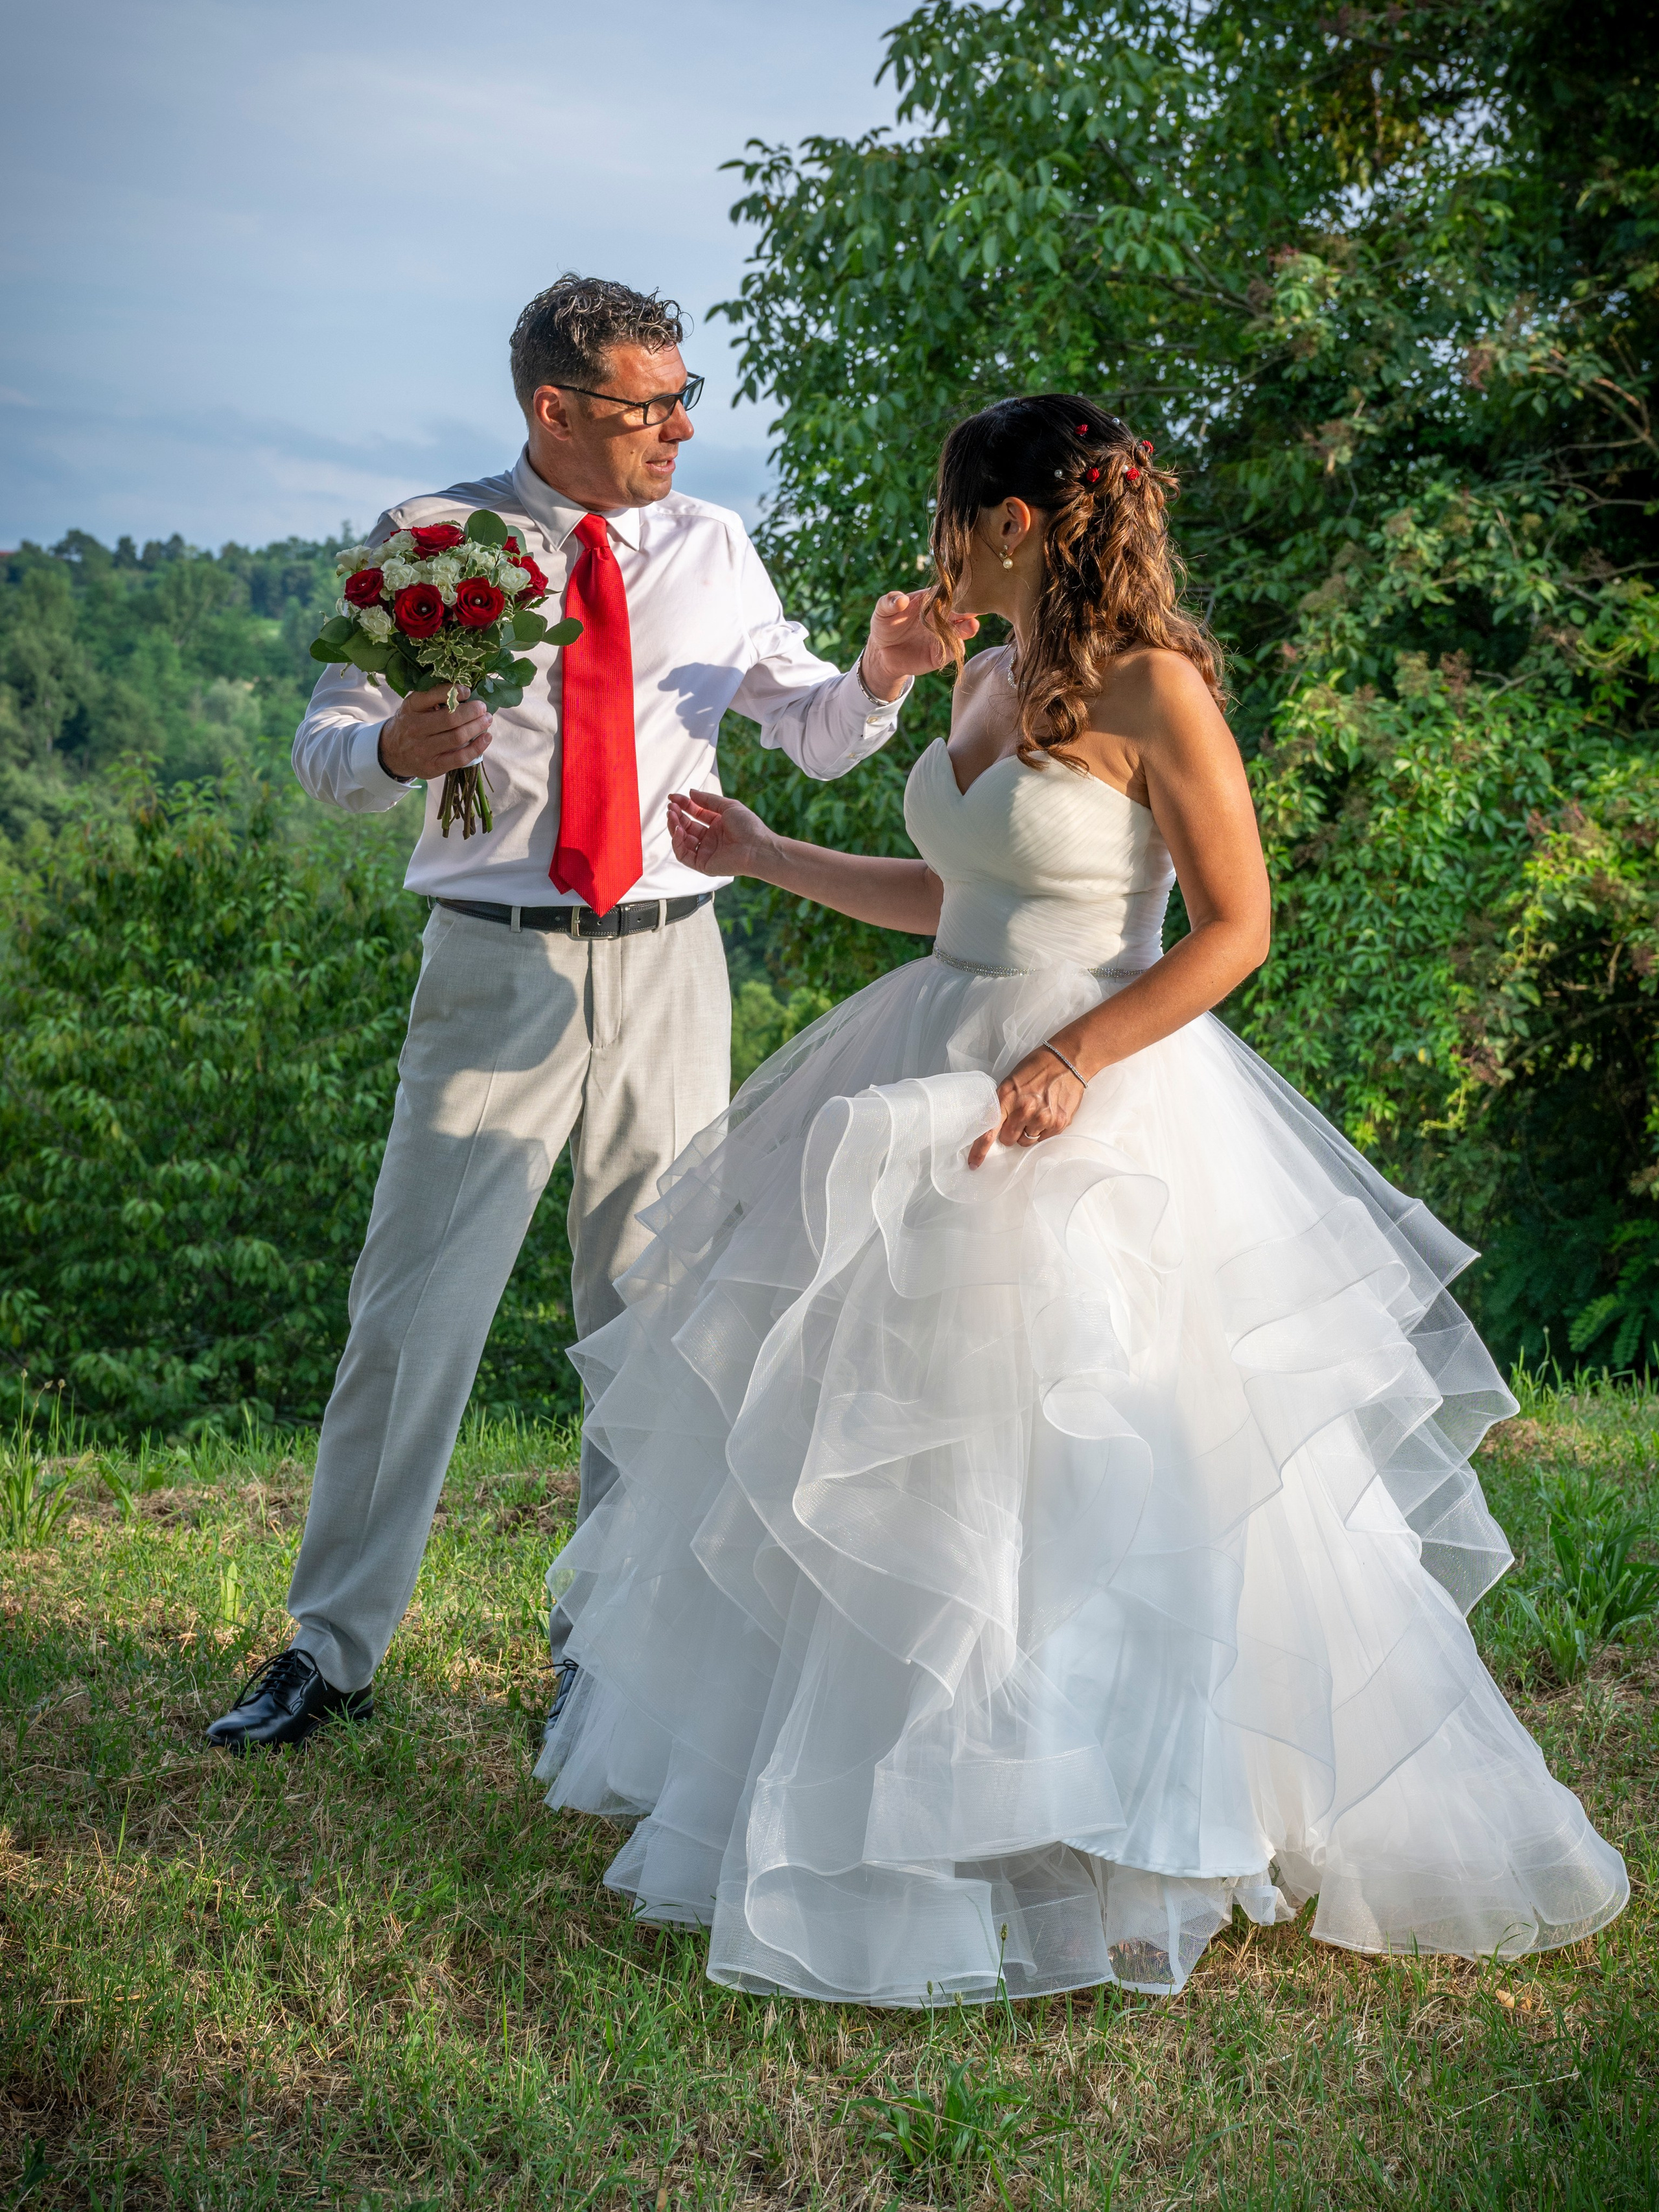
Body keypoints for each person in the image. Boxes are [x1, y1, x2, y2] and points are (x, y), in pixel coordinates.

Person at [533, 395, 1628, 2003]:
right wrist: (765, 854)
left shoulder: (1153, 685)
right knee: (915, 1461)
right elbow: (957, 897)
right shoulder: (981, 674)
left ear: (1012, 521)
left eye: (946, 512)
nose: (932, 542)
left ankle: (1123, 1836)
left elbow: (1235, 926)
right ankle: (923, 1808)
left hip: (1097, 1097)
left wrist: (1072, 1060)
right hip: (932, 1065)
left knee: (1102, 1464)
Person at [206, 274, 959, 1754]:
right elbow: (324, 748)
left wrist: (880, 673)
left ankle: (609, 1661)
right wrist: (391, 747)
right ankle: (331, 1650)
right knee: (412, 1312)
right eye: (648, 405)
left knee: (649, 1319)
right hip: (494, 966)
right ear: (555, 409)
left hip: (675, 961)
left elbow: (812, 734)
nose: (680, 428)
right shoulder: (437, 539)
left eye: (685, 398)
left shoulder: (713, 544)